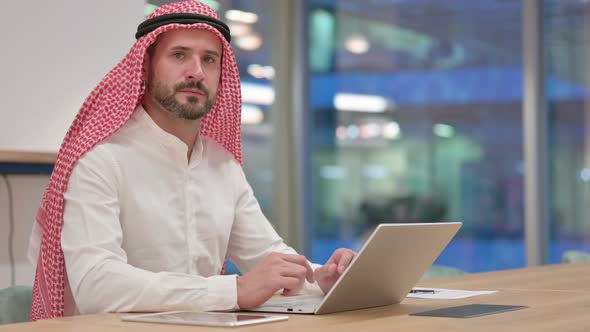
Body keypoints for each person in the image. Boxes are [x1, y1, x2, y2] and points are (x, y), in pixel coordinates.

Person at [27, 1, 355, 321]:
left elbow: (268, 256)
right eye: (179, 55)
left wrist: (321, 279)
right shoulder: (101, 160)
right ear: (145, 65)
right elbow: (97, 286)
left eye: (209, 59)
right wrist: (234, 291)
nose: (196, 72)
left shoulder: (222, 166)